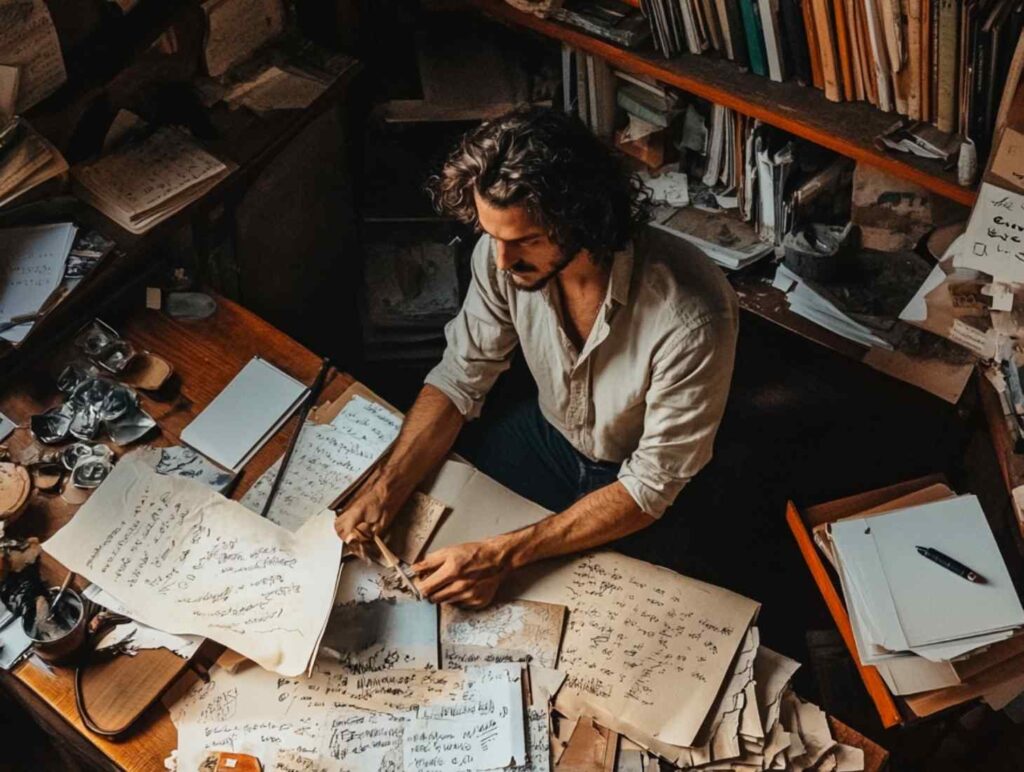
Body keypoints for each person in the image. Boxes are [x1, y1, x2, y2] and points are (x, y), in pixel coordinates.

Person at [336, 106, 738, 607]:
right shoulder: (501, 256)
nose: (502, 262)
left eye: (526, 240)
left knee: (611, 609)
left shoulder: (690, 316)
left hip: (634, 476)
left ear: (584, 220)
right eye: (493, 236)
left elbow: (651, 484)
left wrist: (504, 556)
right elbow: (462, 375)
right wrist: (385, 488)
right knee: (438, 530)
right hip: (547, 436)